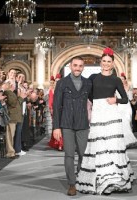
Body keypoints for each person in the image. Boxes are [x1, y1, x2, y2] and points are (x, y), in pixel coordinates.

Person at [76, 47, 135, 195]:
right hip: (98, 113)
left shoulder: (116, 79)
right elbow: (88, 95)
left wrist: (115, 99)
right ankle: (102, 179)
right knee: (99, 145)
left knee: (112, 144)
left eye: (109, 61)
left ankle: (114, 179)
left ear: (113, 64)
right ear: (100, 62)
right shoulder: (93, 78)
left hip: (112, 114)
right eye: (104, 61)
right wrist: (98, 104)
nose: (106, 64)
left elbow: (125, 99)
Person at [52, 56, 92, 196]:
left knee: (83, 154)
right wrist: (56, 127)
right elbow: (56, 105)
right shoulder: (62, 83)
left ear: (83, 67)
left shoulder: (88, 83)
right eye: (75, 65)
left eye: (80, 65)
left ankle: (81, 178)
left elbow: (95, 101)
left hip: (82, 123)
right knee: (69, 155)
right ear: (70, 66)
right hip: (66, 123)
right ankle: (72, 184)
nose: (77, 68)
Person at [117, 73, 137, 148]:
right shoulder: (116, 88)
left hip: (127, 106)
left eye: (123, 79)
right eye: (120, 79)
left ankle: (129, 140)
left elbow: (130, 98)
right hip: (120, 106)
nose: (121, 80)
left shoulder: (129, 87)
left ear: (125, 80)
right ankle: (123, 141)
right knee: (122, 123)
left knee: (127, 121)